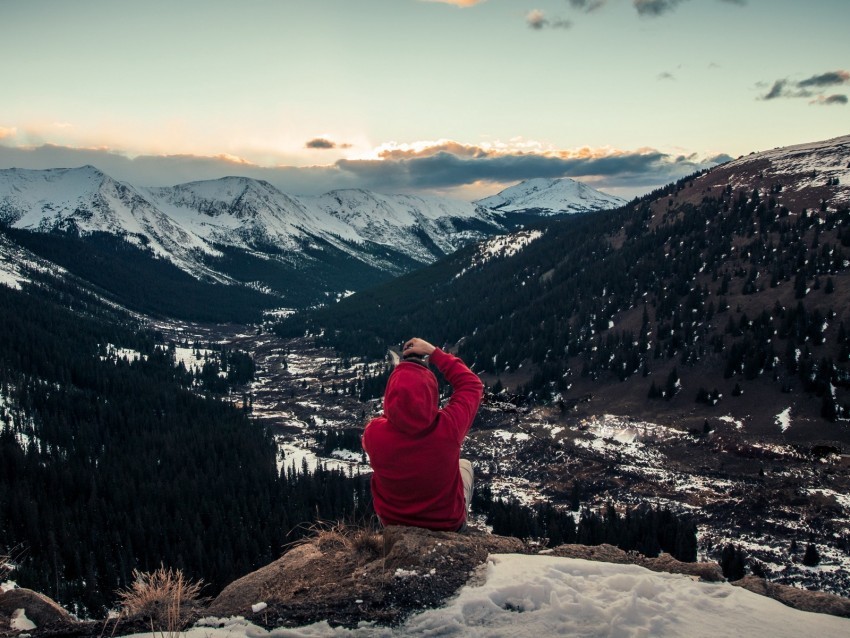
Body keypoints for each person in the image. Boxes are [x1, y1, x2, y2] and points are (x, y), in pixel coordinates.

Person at [362, 337, 483, 532]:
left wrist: (396, 411)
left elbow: (387, 421)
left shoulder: (374, 433)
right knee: (465, 465)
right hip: (448, 526)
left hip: (392, 524)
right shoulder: (449, 426)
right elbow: (471, 385)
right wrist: (434, 353)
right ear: (431, 393)